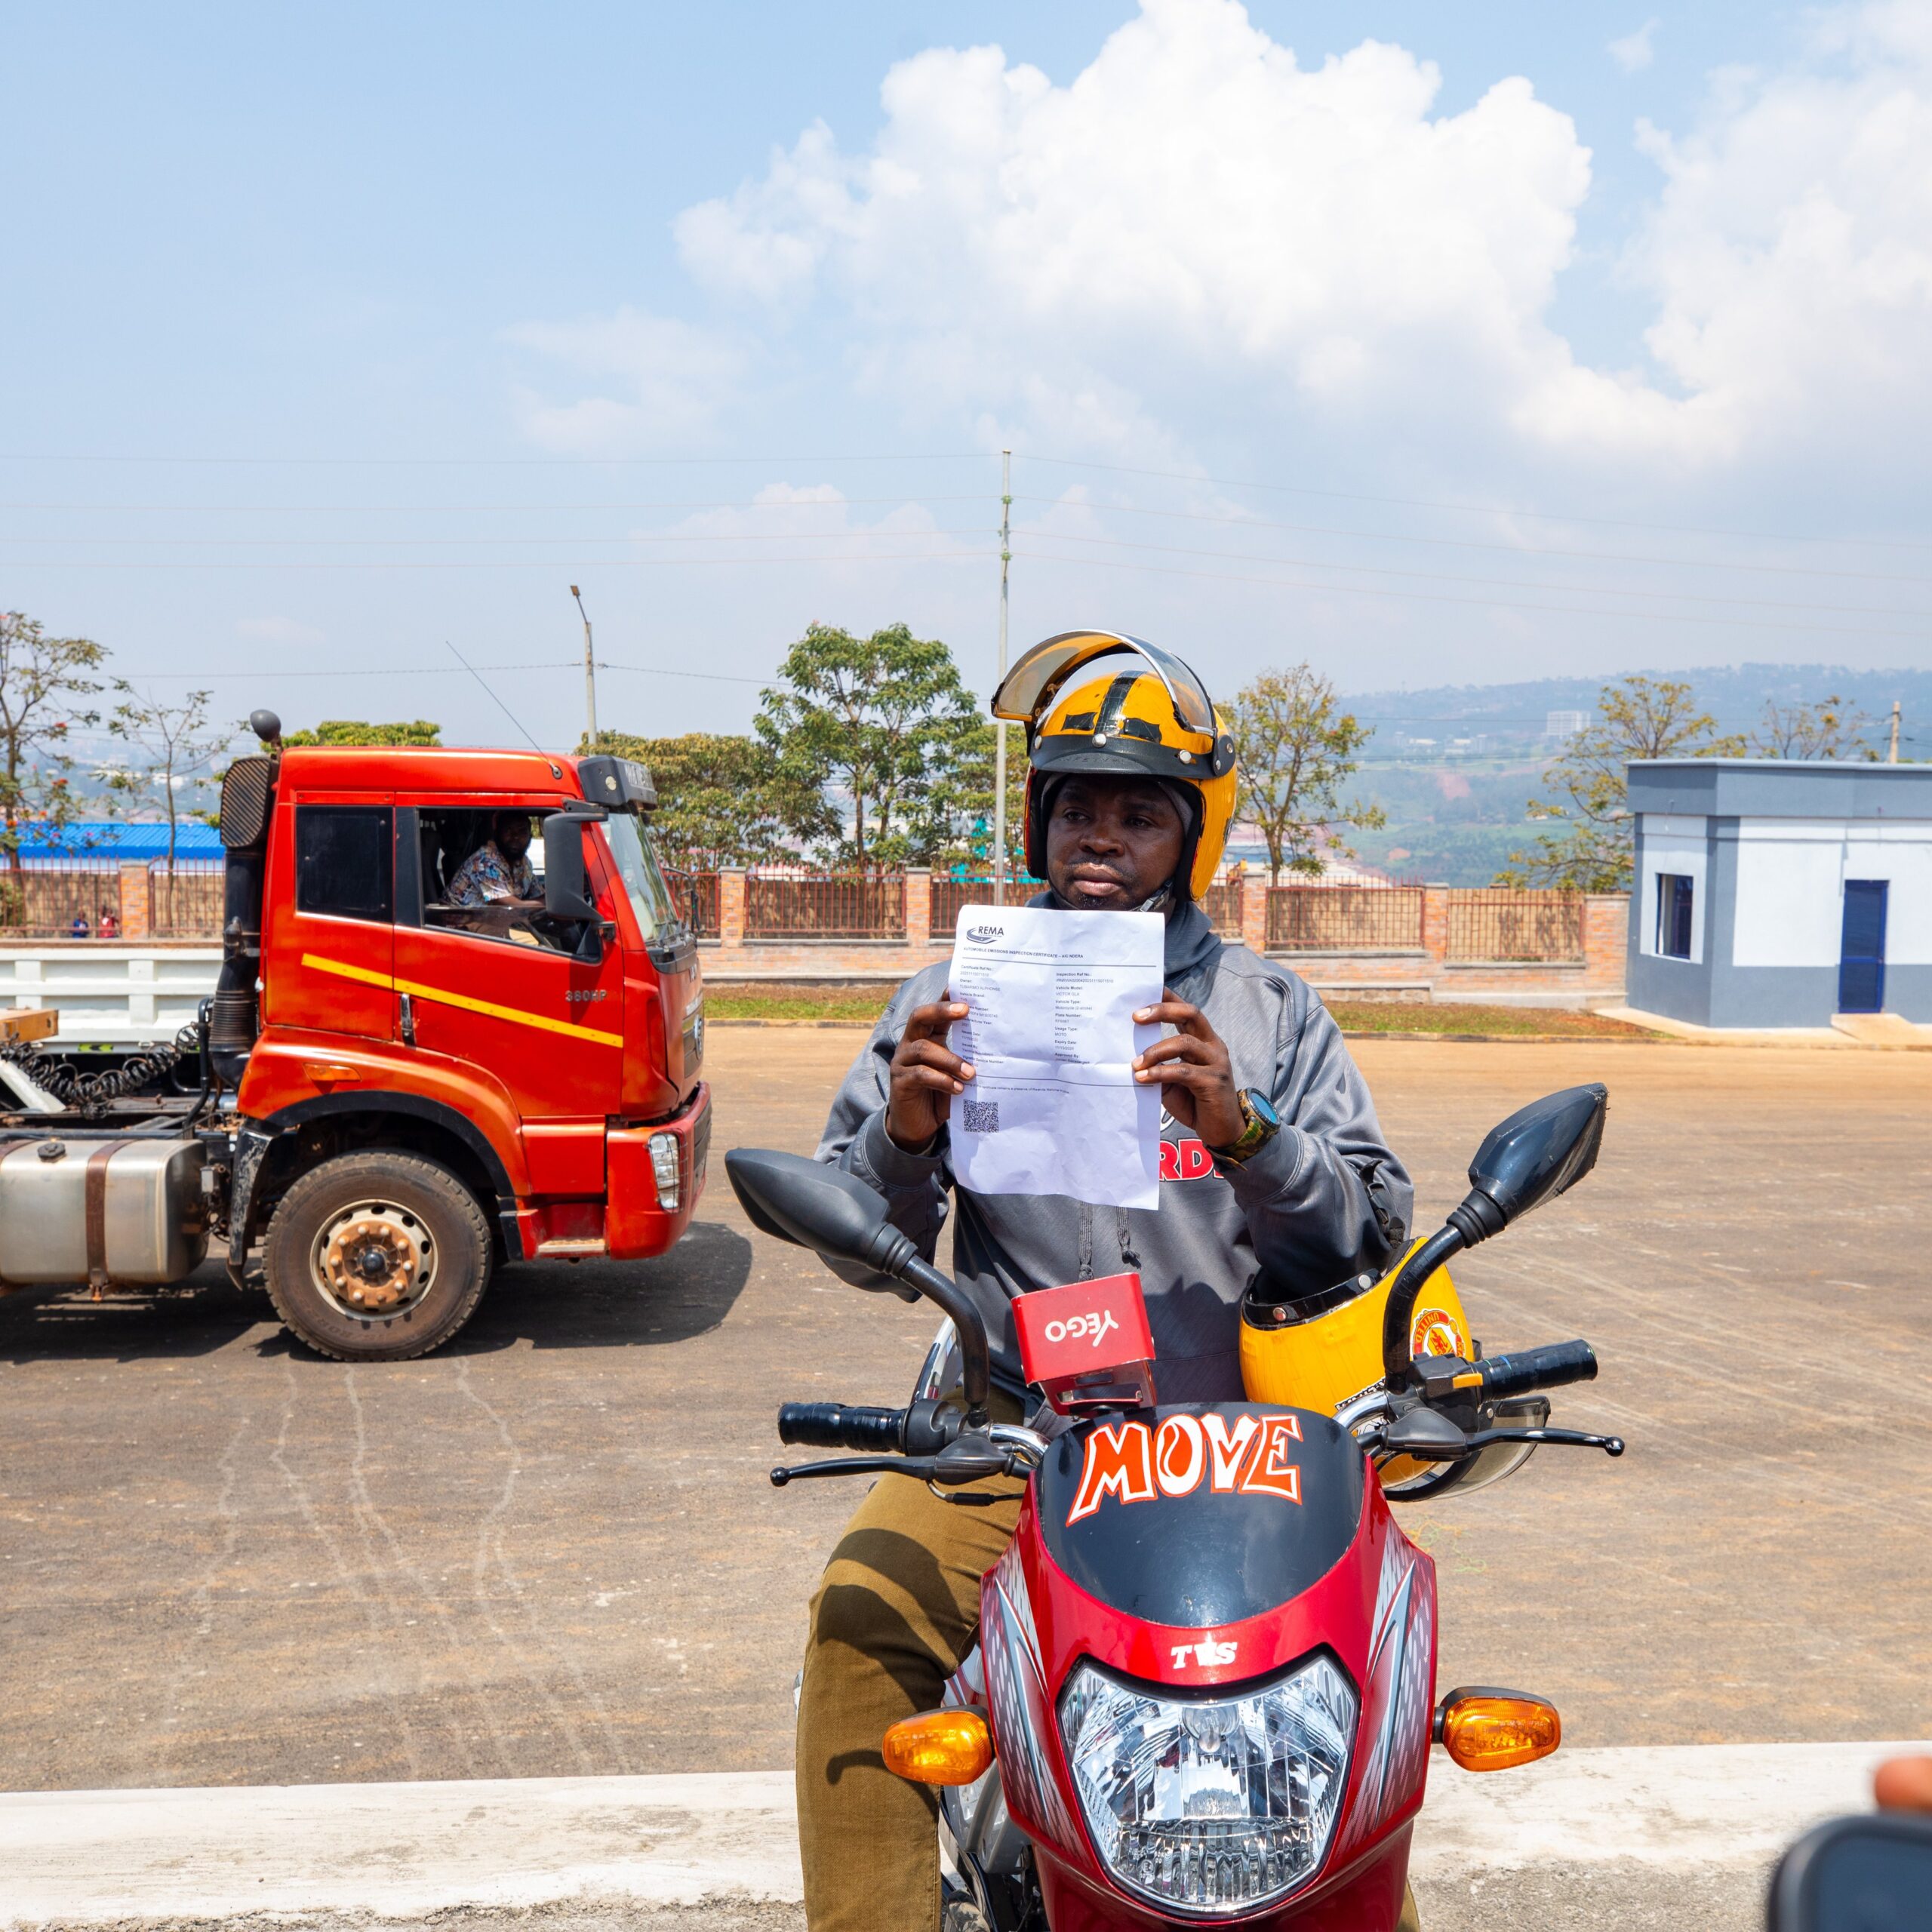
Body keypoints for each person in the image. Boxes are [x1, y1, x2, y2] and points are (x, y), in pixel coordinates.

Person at [797, 632, 1418, 1932]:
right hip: (1020, 1437)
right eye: (1079, 806)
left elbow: (1369, 1234)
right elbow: (856, 1243)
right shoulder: (947, 1000)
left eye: (1141, 816)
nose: (1102, 837)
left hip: (1247, 1450)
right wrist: (903, 1135)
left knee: (1359, 1694)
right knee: (860, 1621)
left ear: (1191, 840)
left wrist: (1250, 1134)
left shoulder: (1268, 1012)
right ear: (1040, 820)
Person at [446, 811, 541, 915]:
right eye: (508, 830)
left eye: (522, 831)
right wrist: (549, 903)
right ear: (497, 834)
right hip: (460, 921)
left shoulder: (524, 863)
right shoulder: (485, 861)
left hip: (493, 919)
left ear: (530, 836)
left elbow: (537, 894)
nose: (515, 837)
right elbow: (513, 908)